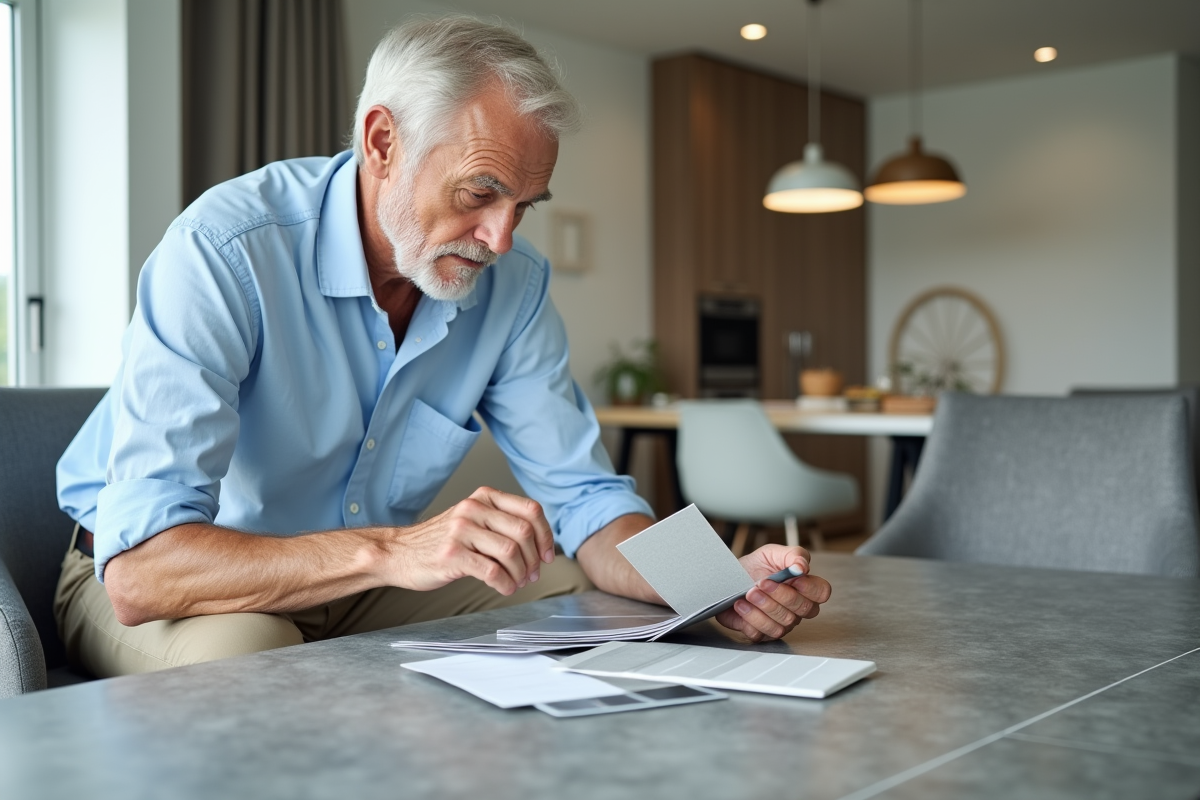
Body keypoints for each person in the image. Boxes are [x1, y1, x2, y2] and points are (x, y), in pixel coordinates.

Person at [54, 15, 832, 678]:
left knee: (570, 598)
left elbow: (587, 501)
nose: (500, 238)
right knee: (252, 652)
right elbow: (143, 572)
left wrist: (716, 582)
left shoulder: (513, 284)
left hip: (354, 581)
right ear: (383, 141)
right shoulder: (224, 252)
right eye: (478, 192)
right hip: (163, 578)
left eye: (524, 206)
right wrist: (392, 549)